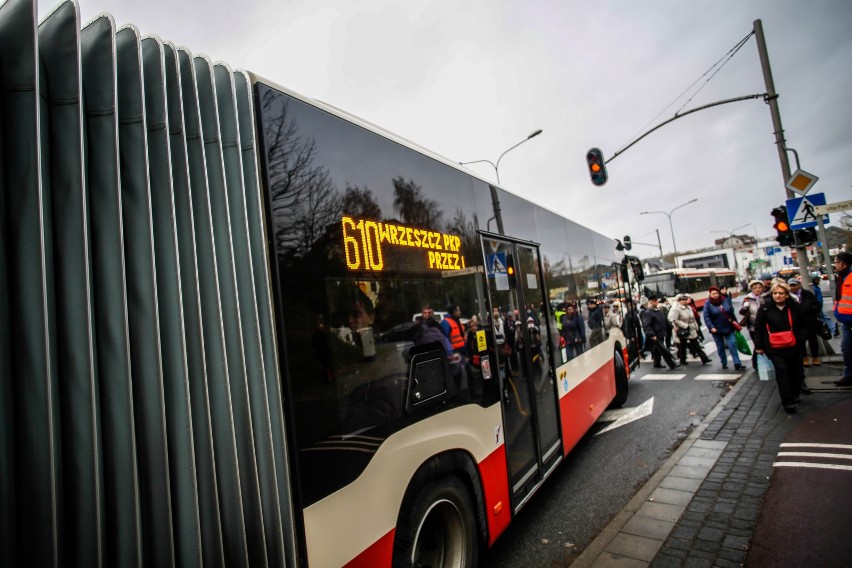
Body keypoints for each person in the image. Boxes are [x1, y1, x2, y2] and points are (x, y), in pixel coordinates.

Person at [753, 282, 805, 414]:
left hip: (793, 346)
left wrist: (800, 339)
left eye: (781, 293)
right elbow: (758, 327)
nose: (778, 296)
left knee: (796, 372)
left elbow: (804, 324)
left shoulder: (794, 307)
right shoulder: (765, 308)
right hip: (774, 347)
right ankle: (787, 402)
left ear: (787, 295)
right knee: (781, 371)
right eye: (775, 293)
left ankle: (795, 392)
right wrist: (758, 346)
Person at [703, 286, 745, 370]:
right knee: (720, 347)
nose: (715, 295)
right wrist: (711, 327)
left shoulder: (724, 300)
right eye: (713, 294)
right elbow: (706, 316)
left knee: (732, 344)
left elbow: (731, 312)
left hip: (728, 327)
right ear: (710, 294)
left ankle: (737, 363)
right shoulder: (708, 303)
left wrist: (735, 322)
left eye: (717, 293)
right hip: (716, 329)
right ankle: (724, 362)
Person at [787, 278, 821, 368]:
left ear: (799, 285)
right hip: (797, 323)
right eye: (791, 285)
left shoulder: (807, 294)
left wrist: (809, 308)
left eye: (794, 285)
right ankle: (804, 357)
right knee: (800, 341)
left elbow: (816, 305)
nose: (793, 287)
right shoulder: (788, 296)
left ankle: (815, 357)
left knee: (813, 340)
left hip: (809, 321)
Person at [668, 294, 710, 365]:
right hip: (684, 330)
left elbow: (693, 319)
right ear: (679, 301)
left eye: (685, 300)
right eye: (683, 300)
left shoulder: (689, 307)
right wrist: (685, 325)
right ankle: (702, 359)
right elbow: (674, 319)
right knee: (687, 345)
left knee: (690, 345)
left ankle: (702, 359)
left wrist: (696, 327)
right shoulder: (676, 309)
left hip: (691, 328)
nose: (685, 301)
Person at [641, 295, 679, 369]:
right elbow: (647, 325)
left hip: (661, 333)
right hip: (655, 335)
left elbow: (664, 320)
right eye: (655, 301)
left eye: (656, 300)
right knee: (664, 350)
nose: (657, 302)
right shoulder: (648, 312)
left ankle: (657, 363)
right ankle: (672, 364)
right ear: (651, 302)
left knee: (657, 350)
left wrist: (672, 326)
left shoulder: (658, 310)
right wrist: (652, 335)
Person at [834, 252, 852, 386]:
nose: (835, 265)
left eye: (836, 262)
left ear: (842, 264)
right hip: (847, 321)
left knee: (847, 348)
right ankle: (849, 375)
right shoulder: (842, 277)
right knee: (847, 349)